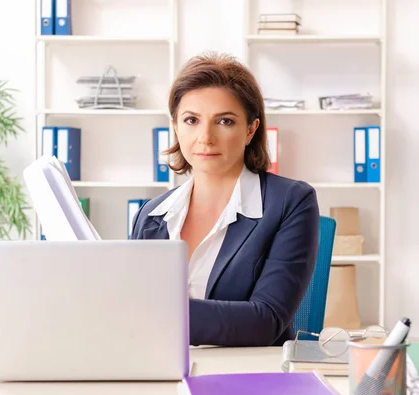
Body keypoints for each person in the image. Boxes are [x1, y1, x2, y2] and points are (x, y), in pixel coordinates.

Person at [131, 51, 320, 347]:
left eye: (225, 121)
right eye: (191, 120)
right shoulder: (151, 214)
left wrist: (158, 315)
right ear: (175, 127)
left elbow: (265, 320)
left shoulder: (291, 202)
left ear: (250, 129)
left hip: (247, 377)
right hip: (160, 366)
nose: (205, 137)